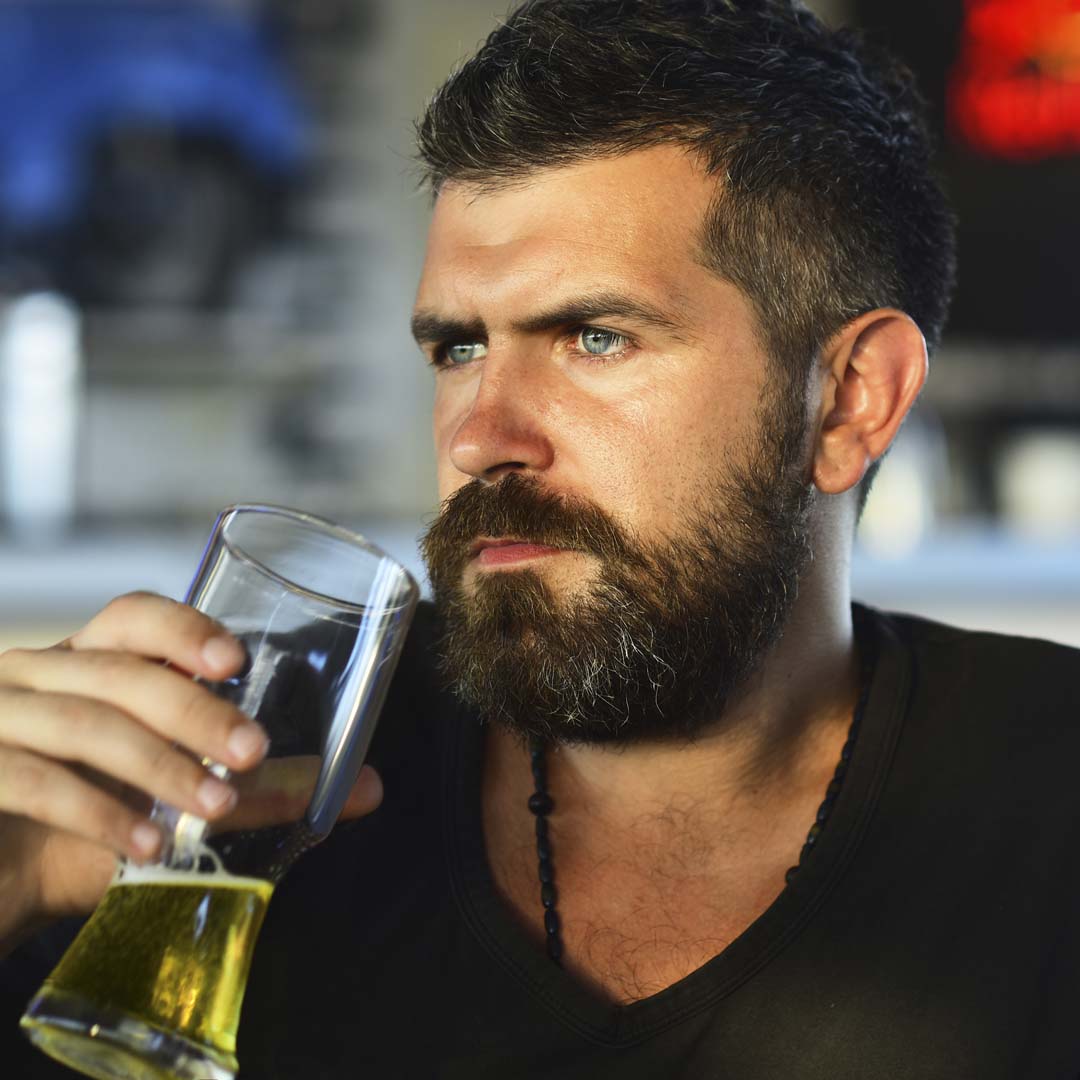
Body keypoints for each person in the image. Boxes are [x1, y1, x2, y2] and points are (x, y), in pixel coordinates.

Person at [2, 1, 1079, 1075]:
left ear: (849, 402)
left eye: (594, 338)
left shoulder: (1042, 804)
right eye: (459, 347)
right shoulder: (243, 778)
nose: (479, 438)